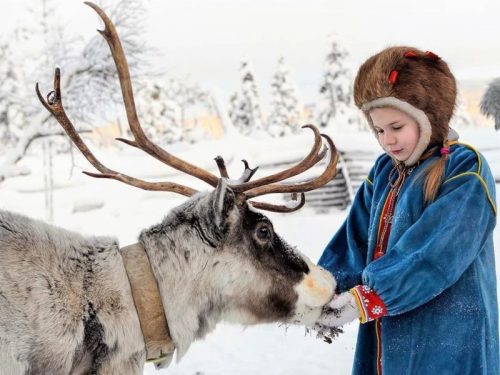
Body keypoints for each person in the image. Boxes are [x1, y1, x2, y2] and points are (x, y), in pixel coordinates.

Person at [314, 46, 499, 375]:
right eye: (379, 130)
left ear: (428, 116)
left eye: (396, 127)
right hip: (389, 338)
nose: (388, 141)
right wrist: (322, 288)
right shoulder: (385, 172)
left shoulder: (465, 168)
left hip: (451, 338)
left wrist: (372, 296)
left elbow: (438, 252)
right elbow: (353, 242)